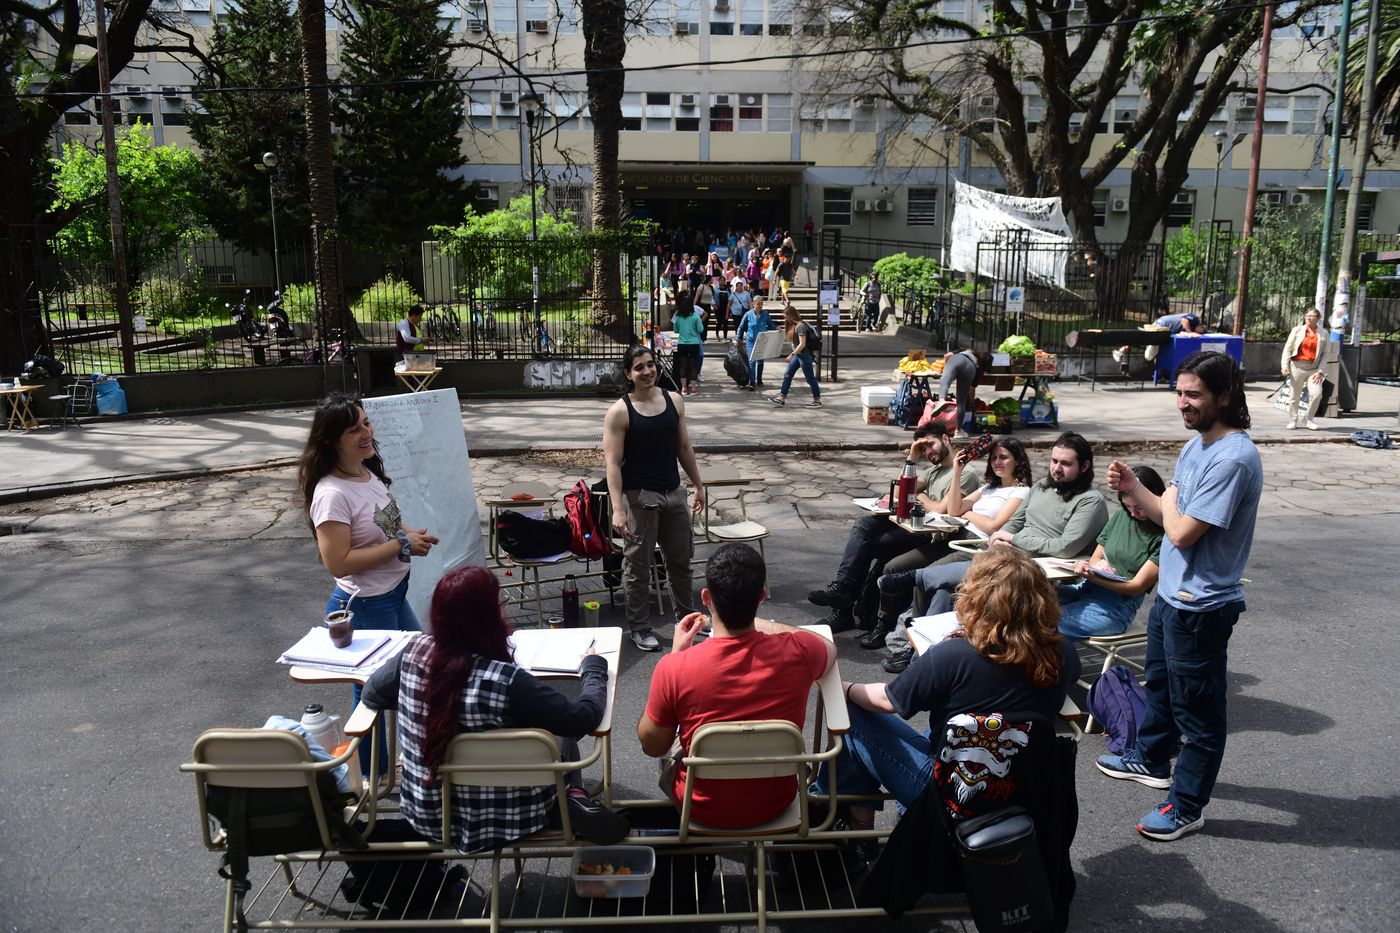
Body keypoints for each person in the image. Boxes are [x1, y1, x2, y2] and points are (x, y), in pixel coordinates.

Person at [1097, 351, 1262, 842]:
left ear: (1225, 397)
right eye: (1179, 392)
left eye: (1193, 395)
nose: (1182, 403)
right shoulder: (1198, 446)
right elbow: (1164, 513)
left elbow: (1184, 531)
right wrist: (1134, 489)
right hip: (1172, 595)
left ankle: (1187, 806)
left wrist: (1166, 504)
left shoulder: (1234, 457)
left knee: (1201, 714)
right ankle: (1149, 759)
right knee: (1161, 687)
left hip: (1201, 606)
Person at [812, 549, 1079, 836]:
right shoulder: (1064, 653)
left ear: (977, 597)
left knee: (851, 712)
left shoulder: (952, 656)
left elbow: (886, 700)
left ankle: (855, 828)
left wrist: (842, 687)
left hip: (950, 792)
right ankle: (874, 825)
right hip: (1023, 788)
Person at [360, 566, 628, 852]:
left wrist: (426, 701)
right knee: (555, 734)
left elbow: (372, 694)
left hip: (427, 816)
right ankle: (572, 797)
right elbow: (582, 718)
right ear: (488, 618)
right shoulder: (506, 681)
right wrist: (594, 668)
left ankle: (572, 798)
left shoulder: (413, 653)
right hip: (512, 819)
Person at [638, 544, 837, 828]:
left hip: (700, 809)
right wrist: (764, 624)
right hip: (777, 804)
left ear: (706, 598)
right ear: (762, 596)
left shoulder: (673, 668)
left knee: (671, 739)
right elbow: (828, 647)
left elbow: (652, 745)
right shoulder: (801, 652)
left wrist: (676, 656)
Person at [299, 392, 439, 775]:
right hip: (365, 605)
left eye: (365, 423)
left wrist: (412, 536)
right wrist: (401, 544)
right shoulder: (331, 494)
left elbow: (388, 526)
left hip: (393, 596)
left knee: (421, 672)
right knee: (374, 693)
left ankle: (407, 763)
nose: (365, 433)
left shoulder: (367, 473)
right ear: (330, 440)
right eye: (353, 429)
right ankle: (375, 778)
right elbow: (338, 561)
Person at [896, 432, 1109, 672]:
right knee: (945, 591)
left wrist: (1014, 538)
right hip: (1009, 556)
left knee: (955, 582)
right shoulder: (1041, 486)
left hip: (1040, 571)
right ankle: (922, 660)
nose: (1056, 468)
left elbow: (1064, 547)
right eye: (1054, 461)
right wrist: (1000, 537)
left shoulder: (1091, 501)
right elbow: (1013, 523)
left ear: (1085, 466)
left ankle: (919, 580)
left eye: (1066, 463)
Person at [808, 422, 981, 632]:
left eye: (930, 445)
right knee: (864, 525)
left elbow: (942, 510)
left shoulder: (964, 473)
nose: (927, 452)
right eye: (923, 448)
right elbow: (900, 494)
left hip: (932, 535)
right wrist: (911, 458)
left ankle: (843, 607)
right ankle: (842, 589)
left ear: (946, 439)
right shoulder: (933, 470)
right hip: (914, 527)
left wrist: (920, 495)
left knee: (868, 546)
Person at [863, 437, 1033, 650]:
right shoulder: (988, 488)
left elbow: (993, 526)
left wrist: (968, 512)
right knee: (894, 566)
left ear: (1018, 461)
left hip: (976, 546)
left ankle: (915, 638)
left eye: (1004, 458)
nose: (997, 462)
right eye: (994, 458)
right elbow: (954, 510)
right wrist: (957, 471)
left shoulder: (1021, 491)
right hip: (955, 537)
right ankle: (884, 624)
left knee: (926, 575)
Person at [603, 345, 705, 651]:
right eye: (639, 367)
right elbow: (612, 463)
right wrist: (618, 509)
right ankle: (640, 626)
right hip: (640, 498)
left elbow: (684, 447)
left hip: (673, 493)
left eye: (650, 365)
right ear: (628, 373)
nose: (647, 371)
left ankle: (687, 621)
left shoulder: (674, 400)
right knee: (638, 567)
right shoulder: (620, 411)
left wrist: (698, 485)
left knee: (681, 562)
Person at [1056, 465, 1166, 639]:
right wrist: (1096, 566)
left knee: (1044, 622)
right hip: (1085, 590)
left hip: (1115, 608)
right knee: (1025, 601)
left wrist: (1094, 577)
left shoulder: (1163, 535)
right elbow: (1095, 557)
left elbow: (1135, 587)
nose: (1133, 513)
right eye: (1127, 506)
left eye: (1139, 507)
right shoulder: (1122, 516)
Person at [1280, 307, 1328, 430]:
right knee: (1294, 396)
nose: (1309, 318)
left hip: (1314, 368)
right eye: (1307, 316)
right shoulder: (1297, 330)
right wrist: (1285, 366)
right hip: (1297, 366)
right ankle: (1293, 420)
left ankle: (1308, 418)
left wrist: (1320, 371)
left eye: (1312, 316)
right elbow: (1288, 348)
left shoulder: (1324, 333)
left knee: (1317, 394)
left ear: (1318, 318)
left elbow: (1325, 354)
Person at [768, 305, 821, 408]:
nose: (785, 319)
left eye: (786, 316)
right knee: (787, 374)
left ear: (791, 316)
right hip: (798, 356)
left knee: (810, 379)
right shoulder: (794, 326)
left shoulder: (800, 326)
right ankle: (781, 398)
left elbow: (802, 344)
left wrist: (791, 355)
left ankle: (817, 400)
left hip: (804, 356)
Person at [937, 348, 993, 437]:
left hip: (955, 359)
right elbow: (971, 389)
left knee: (945, 382)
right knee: (961, 402)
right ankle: (958, 431)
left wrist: (946, 370)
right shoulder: (978, 368)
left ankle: (941, 400)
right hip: (969, 367)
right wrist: (971, 403)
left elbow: (947, 356)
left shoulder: (966, 350)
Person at [735, 294, 773, 390]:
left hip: (762, 340)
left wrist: (776, 327)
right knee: (752, 361)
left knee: (760, 361)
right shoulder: (748, 314)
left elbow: (770, 324)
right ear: (753, 304)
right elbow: (741, 327)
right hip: (751, 341)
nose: (760, 306)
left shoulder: (765, 314)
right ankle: (752, 382)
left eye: (761, 304)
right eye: (758, 304)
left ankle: (759, 379)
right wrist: (737, 339)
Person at [671, 293, 704, 396]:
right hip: (694, 343)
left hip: (682, 344)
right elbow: (700, 329)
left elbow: (675, 330)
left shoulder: (678, 316)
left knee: (683, 366)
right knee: (693, 366)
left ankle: (684, 388)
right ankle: (693, 388)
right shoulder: (695, 315)